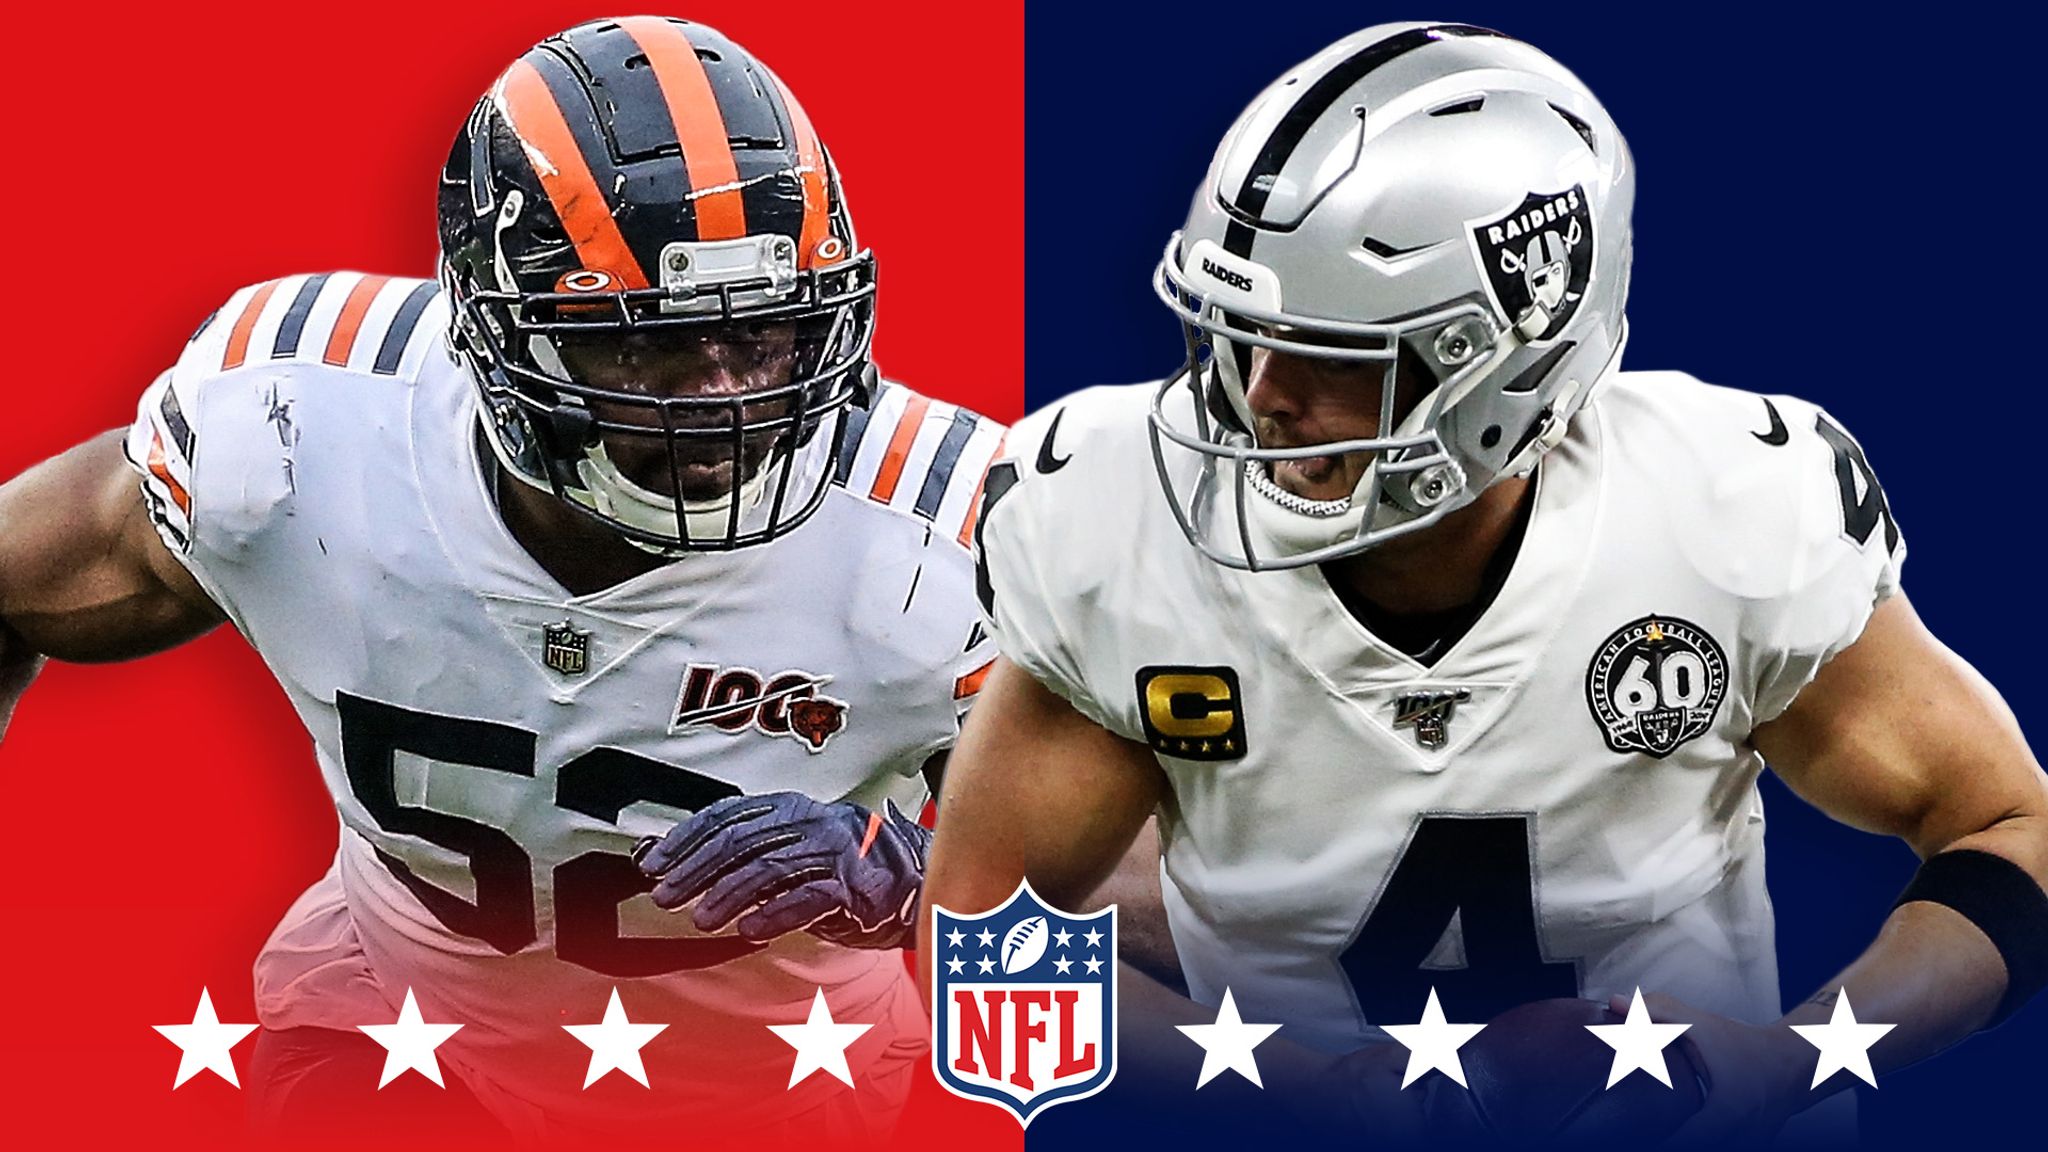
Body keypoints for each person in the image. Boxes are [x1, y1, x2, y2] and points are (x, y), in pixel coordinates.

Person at [922, 22, 2048, 1143]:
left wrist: (1793, 1059)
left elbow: (2009, 827)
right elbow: (969, 953)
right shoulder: (1120, 524)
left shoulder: (1722, 515)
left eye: (1330, 352)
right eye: (1241, 335)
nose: (1259, 397)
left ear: (1508, 365)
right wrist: (1309, 1093)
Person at [0, 16, 1002, 1145]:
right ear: (495, 335)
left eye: (764, 331)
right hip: (393, 1038)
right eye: (642, 345)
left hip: (784, 1092)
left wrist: (923, 877)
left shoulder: (951, 538)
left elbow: (1182, 892)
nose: (721, 402)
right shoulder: (295, 436)